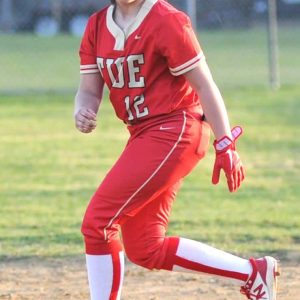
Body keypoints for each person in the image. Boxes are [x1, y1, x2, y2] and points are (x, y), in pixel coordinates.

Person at [74, 0, 280, 299]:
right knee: (146, 248)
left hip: (176, 128)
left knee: (98, 223)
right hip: (144, 134)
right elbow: (89, 90)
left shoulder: (166, 19)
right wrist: (83, 110)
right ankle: (253, 273)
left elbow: (205, 85)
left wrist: (225, 144)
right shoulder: (96, 26)